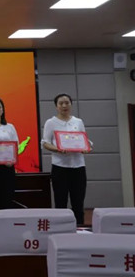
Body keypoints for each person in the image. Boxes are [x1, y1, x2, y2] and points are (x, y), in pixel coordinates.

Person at [41, 93, 92, 225]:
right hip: (60, 167)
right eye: (61, 103)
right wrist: (58, 149)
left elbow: (84, 140)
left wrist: (86, 147)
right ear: (56, 106)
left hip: (78, 166)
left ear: (71, 104)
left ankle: (80, 229)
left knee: (78, 202)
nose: (64, 105)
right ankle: (61, 229)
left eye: (67, 103)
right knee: (60, 202)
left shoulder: (78, 122)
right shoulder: (51, 122)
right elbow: (45, 143)